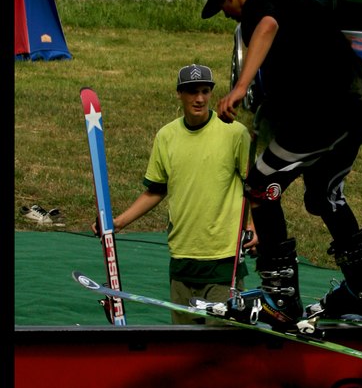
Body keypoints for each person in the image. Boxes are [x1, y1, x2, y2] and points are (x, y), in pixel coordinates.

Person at [199, 0, 362, 332]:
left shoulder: (260, 6)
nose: (226, 16)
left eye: (221, 7)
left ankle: (280, 299)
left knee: (261, 187)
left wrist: (238, 87)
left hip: (327, 107)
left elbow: (267, 26)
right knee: (323, 194)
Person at [96, 64, 257, 324]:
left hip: (223, 259)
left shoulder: (234, 133)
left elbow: (254, 186)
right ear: (179, 94)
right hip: (182, 258)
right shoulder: (166, 136)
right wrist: (117, 223)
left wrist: (253, 225)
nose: (200, 98)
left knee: (219, 344)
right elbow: (156, 190)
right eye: (192, 92)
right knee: (182, 341)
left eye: (205, 91)